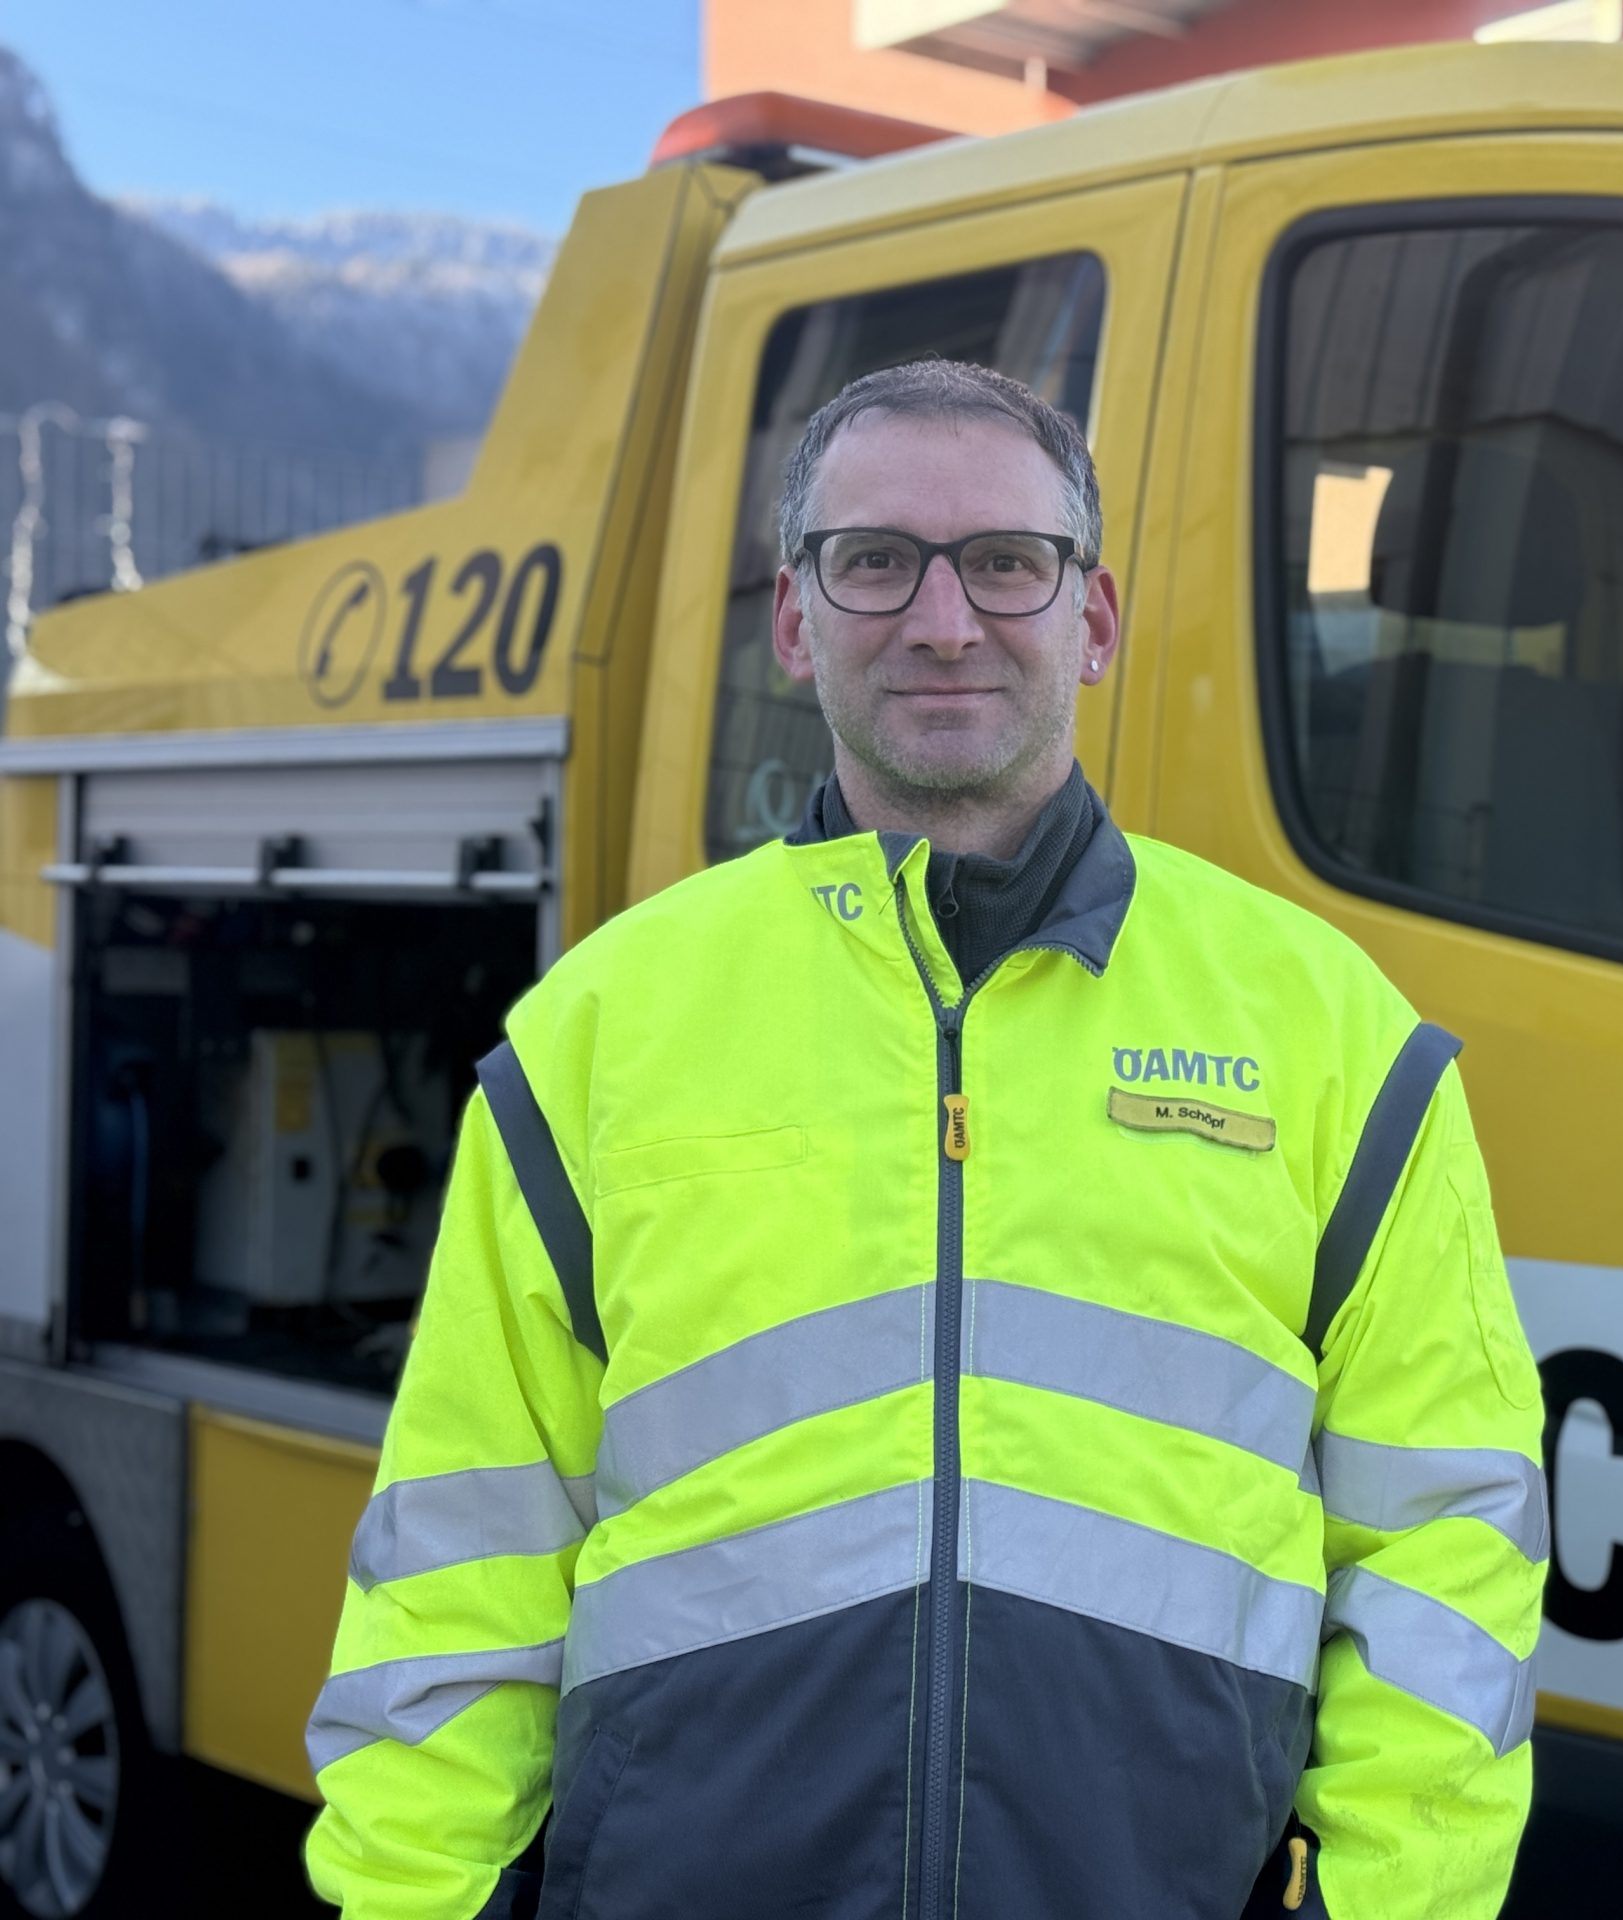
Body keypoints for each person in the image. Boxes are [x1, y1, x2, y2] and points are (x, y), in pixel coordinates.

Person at [302, 359, 1547, 1920]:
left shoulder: (1332, 1032)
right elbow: (463, 1547)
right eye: (876, 560)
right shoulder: (600, 1031)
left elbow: (1443, 1537)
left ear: (1094, 617)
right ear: (794, 617)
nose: (944, 620)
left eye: (1007, 562)